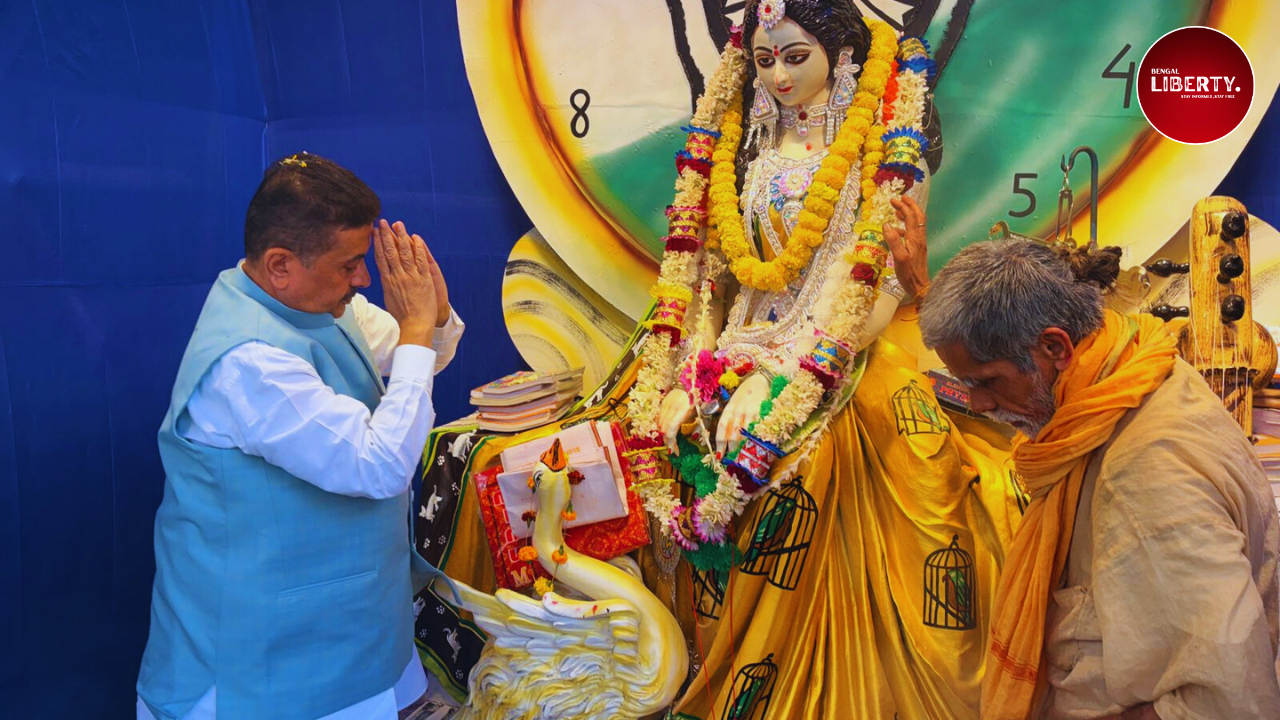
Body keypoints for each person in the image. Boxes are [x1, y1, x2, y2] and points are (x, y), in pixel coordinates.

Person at [440, 2, 1021, 718]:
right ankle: (640, 657)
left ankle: (772, 670)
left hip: (842, 350)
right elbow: (719, 276)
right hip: (733, 346)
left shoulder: (889, 140)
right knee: (646, 440)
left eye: (796, 57)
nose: (778, 76)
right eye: (766, 60)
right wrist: (696, 371)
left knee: (794, 469)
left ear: (841, 56)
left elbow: (876, 287)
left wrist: (781, 378)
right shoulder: (748, 143)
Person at [135, 153, 464, 720]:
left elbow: (420, 359)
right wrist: (415, 326)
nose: (363, 280)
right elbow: (380, 465)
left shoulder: (322, 305)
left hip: (347, 633)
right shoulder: (247, 361)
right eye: (350, 265)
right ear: (280, 264)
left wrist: (430, 315)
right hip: (259, 663)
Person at [917, 239, 1280, 720]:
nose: (978, 404)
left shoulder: (1146, 472)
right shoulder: (1129, 371)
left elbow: (1229, 703)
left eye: (986, 381)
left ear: (1055, 347)